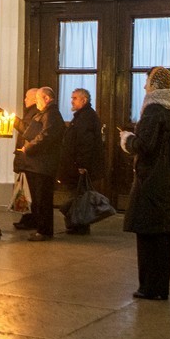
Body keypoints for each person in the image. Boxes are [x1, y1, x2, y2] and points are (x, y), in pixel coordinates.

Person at [119, 66, 170, 300]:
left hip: (150, 181)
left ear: (155, 85)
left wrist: (127, 139)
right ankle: (160, 288)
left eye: (147, 81)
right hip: (166, 179)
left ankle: (148, 287)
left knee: (147, 235)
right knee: (162, 236)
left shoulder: (153, 110)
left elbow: (144, 145)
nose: (144, 86)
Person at [14, 86, 65, 241]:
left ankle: (44, 231)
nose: (36, 102)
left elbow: (46, 135)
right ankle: (40, 228)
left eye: (38, 99)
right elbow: (32, 132)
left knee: (43, 199)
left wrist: (28, 147)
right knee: (38, 198)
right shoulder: (43, 113)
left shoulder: (52, 114)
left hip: (43, 164)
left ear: (47, 98)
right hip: (37, 164)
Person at [59, 87, 106, 235]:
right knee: (77, 195)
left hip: (79, 165)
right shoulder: (82, 115)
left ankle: (79, 224)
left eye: (75, 98)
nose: (71, 101)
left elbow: (86, 143)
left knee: (78, 196)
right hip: (75, 164)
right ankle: (77, 224)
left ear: (84, 100)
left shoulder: (86, 117)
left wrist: (82, 164)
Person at [10, 87, 41, 224]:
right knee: (28, 189)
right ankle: (29, 218)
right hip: (26, 158)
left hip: (30, 159)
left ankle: (32, 218)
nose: (24, 100)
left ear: (34, 98)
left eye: (27, 97)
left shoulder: (35, 113)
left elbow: (28, 131)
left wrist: (14, 121)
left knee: (31, 191)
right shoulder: (32, 112)